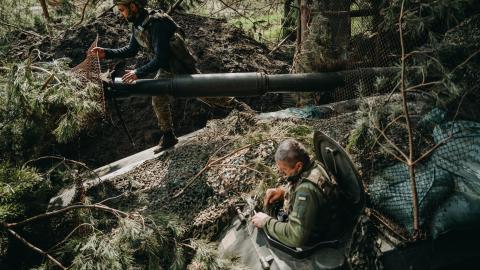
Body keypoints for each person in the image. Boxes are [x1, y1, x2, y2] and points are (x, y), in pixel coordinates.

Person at [90, 0, 251, 153]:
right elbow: (132, 49)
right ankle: (168, 136)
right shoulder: (139, 23)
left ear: (133, 6)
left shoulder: (157, 23)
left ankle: (241, 109)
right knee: (159, 98)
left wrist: (137, 72)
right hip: (167, 68)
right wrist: (106, 53)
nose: (121, 14)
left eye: (122, 10)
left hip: (179, 67)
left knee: (205, 93)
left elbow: (161, 58)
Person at [251, 139, 341, 248]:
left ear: (298, 166)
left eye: (284, 170)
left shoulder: (306, 191)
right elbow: (316, 190)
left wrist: (265, 222)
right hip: (325, 218)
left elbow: (295, 237)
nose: (283, 174)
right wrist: (283, 191)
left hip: (316, 238)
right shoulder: (314, 166)